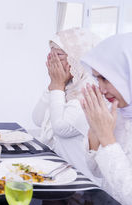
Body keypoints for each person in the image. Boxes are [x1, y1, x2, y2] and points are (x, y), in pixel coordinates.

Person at [32, 28, 101, 183]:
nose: (53, 59)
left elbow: (61, 128)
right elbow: (37, 119)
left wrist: (57, 85)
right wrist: (53, 85)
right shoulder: (67, 84)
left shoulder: (91, 88)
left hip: (82, 182)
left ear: (78, 57)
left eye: (60, 55)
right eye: (51, 53)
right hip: (60, 172)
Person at [80, 32, 132, 205]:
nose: (100, 89)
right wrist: (94, 132)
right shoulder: (117, 113)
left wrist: (106, 137)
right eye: (96, 78)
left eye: (105, 79)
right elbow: (96, 171)